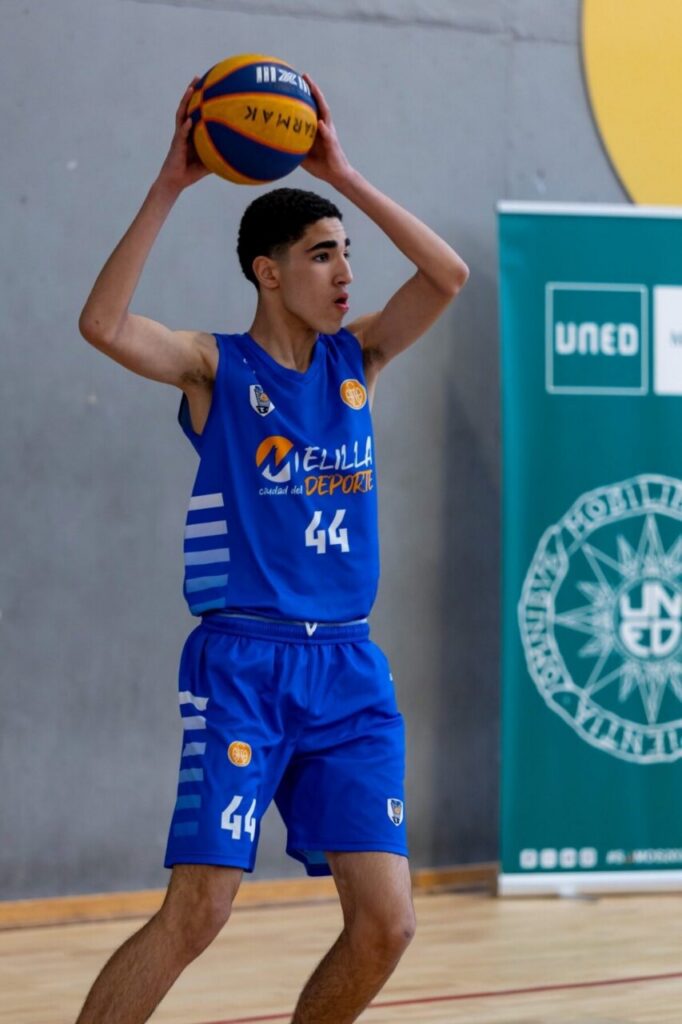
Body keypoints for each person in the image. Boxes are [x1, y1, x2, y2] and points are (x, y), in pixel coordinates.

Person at [77, 72, 468, 1024]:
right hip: (244, 663)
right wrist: (172, 184)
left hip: (349, 669)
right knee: (200, 910)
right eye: (323, 254)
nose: (346, 274)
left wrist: (344, 172)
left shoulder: (360, 359)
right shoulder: (216, 368)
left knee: (388, 925)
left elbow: (448, 275)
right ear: (267, 271)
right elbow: (103, 326)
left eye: (348, 255)